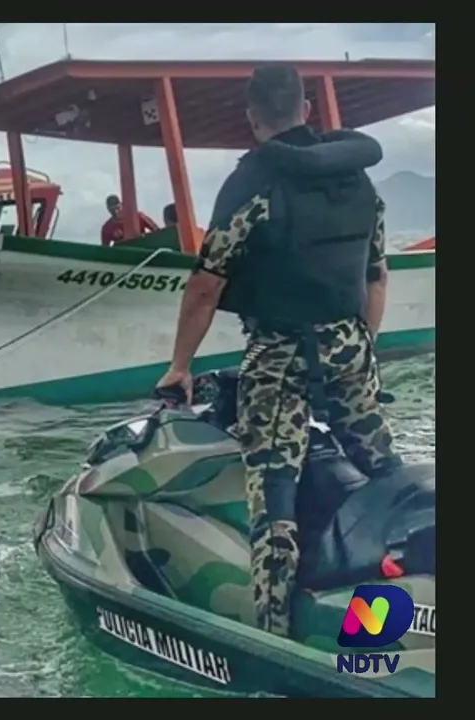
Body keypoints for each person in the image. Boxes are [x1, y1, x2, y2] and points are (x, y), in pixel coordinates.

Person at [153, 64, 400, 638]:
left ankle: (275, 639)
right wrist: (362, 347)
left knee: (274, 502)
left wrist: (180, 366)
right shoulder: (358, 178)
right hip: (351, 346)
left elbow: (206, 285)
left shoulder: (252, 182)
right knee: (384, 471)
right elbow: (377, 275)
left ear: (252, 117)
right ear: (307, 110)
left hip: (280, 356)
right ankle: (410, 593)